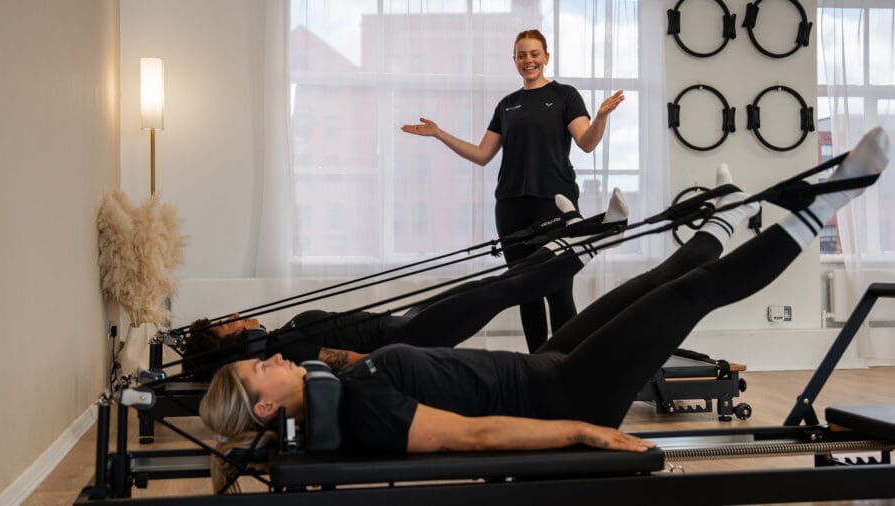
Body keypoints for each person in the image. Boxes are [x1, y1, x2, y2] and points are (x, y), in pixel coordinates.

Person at [199, 127, 891, 494]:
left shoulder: (331, 389)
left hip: (545, 367)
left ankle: (722, 221)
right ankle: (831, 200)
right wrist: (582, 434)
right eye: (264, 371)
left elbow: (350, 365)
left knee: (656, 283)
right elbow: (475, 440)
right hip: (567, 395)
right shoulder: (361, 412)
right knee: (687, 298)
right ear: (265, 408)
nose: (273, 357)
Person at [182, 189, 631, 379]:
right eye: (229, 325)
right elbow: (360, 362)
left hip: (406, 323)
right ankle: (598, 238)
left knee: (501, 282)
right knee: (504, 290)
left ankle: (577, 232)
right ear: (232, 344)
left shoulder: (281, 339)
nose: (237, 317)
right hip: (412, 336)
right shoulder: (288, 353)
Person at [402, 29, 626, 351]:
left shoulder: (565, 96)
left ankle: (566, 365)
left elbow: (587, 143)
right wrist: (440, 134)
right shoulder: (508, 104)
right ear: (515, 60)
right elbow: (482, 155)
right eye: (522, 55)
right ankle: (536, 366)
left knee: (558, 289)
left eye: (534, 54)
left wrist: (601, 116)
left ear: (546, 57)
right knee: (525, 291)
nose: (528, 60)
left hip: (555, 202)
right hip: (511, 206)